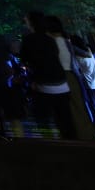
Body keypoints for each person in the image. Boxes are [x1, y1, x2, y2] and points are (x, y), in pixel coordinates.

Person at [20, 11, 76, 139]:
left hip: (43, 83)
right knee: (65, 119)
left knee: (42, 118)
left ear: (30, 23)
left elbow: (25, 60)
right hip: (61, 82)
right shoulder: (50, 39)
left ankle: (49, 141)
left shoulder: (29, 39)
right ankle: (71, 141)